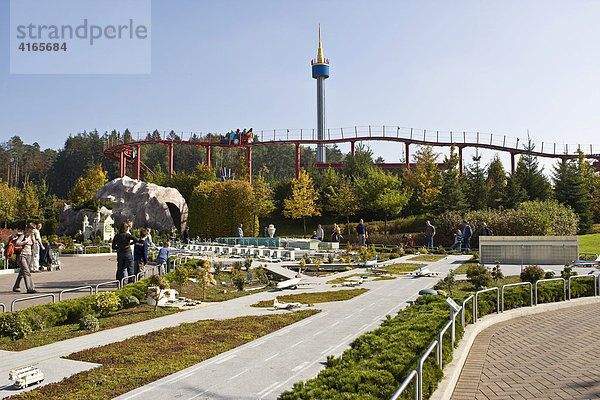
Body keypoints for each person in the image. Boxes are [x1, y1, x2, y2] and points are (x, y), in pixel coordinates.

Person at [13, 223, 37, 293]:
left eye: (34, 229)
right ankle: (30, 288)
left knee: (22, 272)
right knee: (26, 271)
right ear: (29, 229)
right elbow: (17, 243)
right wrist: (25, 242)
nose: (33, 230)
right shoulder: (23, 236)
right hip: (22, 255)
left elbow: (32, 246)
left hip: (29, 255)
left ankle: (16, 286)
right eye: (32, 228)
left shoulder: (32, 237)